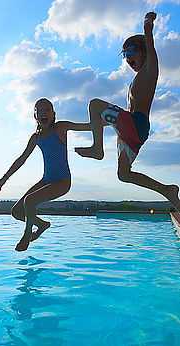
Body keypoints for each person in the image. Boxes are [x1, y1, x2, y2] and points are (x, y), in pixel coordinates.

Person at [75, 12, 180, 212]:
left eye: (131, 51)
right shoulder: (135, 81)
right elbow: (107, 121)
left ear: (144, 51)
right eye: (124, 55)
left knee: (95, 104)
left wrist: (147, 23)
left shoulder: (150, 69)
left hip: (136, 123)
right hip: (131, 132)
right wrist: (78, 127)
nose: (127, 58)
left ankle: (97, 149)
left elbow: (149, 39)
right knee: (124, 174)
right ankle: (167, 190)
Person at [0, 98, 90, 251]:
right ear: (35, 116)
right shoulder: (35, 137)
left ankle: (27, 235)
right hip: (46, 179)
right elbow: (21, 159)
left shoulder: (60, 128)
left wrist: (112, 120)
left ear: (53, 114)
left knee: (29, 201)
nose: (44, 113)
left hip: (62, 181)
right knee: (17, 212)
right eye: (40, 110)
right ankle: (42, 225)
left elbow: (88, 126)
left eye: (47, 110)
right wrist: (3, 179)